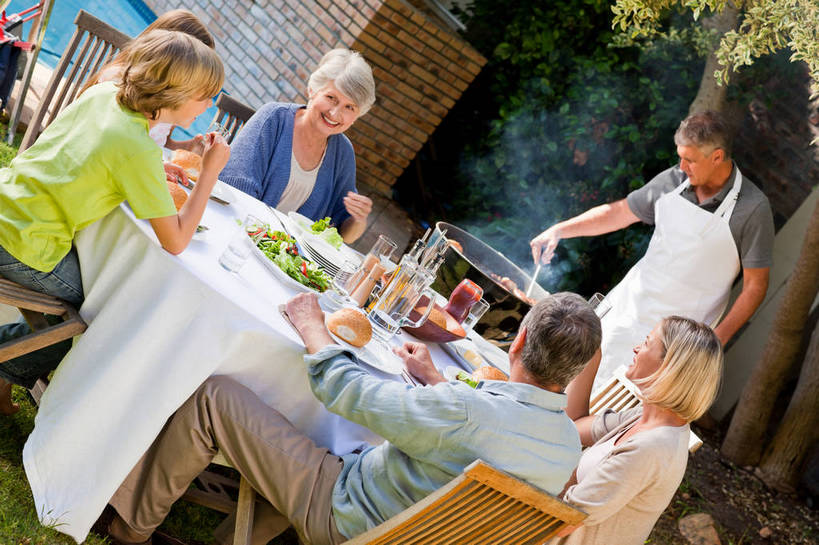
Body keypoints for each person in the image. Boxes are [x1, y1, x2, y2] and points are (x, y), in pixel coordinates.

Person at [101, 292, 601, 545]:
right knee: (344, 445)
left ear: (517, 341)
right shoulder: (564, 451)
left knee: (215, 397)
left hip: (347, 520)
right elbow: (482, 434)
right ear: (576, 371)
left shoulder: (467, 410)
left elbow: (346, 391)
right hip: (404, 532)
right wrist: (438, 386)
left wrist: (311, 325)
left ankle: (130, 531)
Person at [0, 30, 229, 415]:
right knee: (104, 309)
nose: (208, 105)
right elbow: (175, 241)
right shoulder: (136, 147)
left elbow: (100, 156)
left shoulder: (106, 94)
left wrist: (160, 167)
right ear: (175, 92)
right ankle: (8, 368)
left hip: (8, 205)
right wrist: (209, 174)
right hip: (21, 244)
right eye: (205, 95)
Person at [531, 111, 773, 389]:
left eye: (690, 159)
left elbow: (755, 286)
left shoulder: (753, 208)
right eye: (680, 156)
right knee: (564, 386)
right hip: (623, 312)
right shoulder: (674, 180)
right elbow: (621, 212)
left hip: (670, 346)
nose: (681, 166)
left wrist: (716, 341)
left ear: (717, 157)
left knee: (610, 416)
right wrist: (560, 230)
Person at [548, 316, 723, 545]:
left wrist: (560, 466)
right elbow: (572, 427)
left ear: (669, 365)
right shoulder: (644, 417)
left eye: (647, 343)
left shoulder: (652, 449)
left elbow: (562, 518)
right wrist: (591, 352)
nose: (636, 348)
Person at [220, 49, 375, 243]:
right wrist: (267, 240)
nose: (335, 113)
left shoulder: (343, 154)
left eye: (349, 107)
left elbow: (343, 234)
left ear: (357, 115)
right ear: (313, 90)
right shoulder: (273, 118)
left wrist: (358, 219)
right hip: (234, 232)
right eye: (331, 98)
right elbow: (236, 186)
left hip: (283, 257)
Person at [79, 9, 215, 184]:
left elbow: (157, 143)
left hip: (132, 171)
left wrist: (187, 147)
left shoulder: (164, 99)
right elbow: (109, 143)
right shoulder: (120, 85)